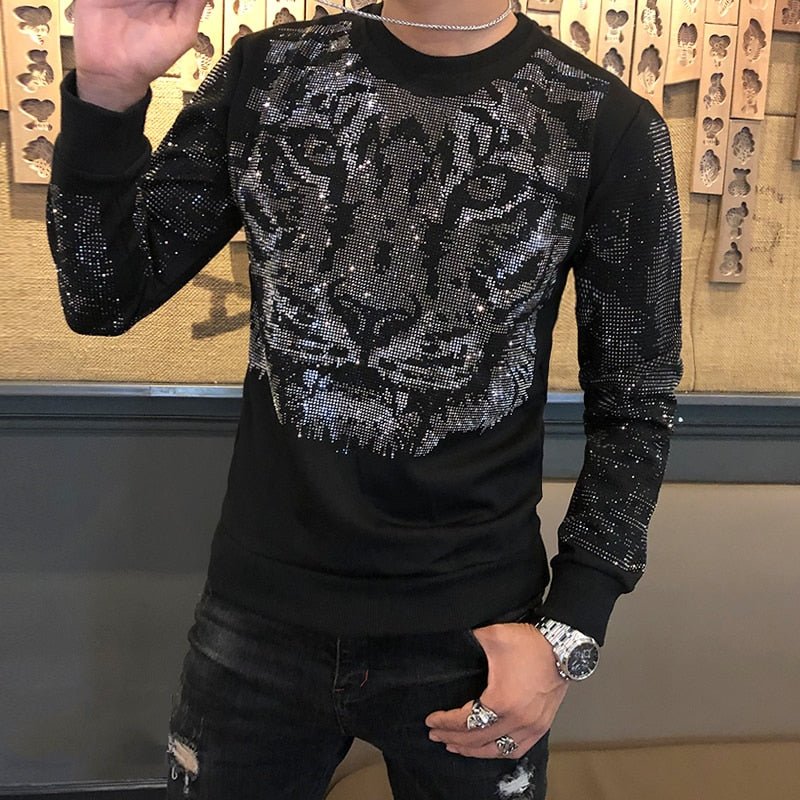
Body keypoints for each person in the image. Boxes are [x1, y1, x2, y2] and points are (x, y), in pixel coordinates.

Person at [46, 1, 683, 797]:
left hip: (475, 632)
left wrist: (571, 627)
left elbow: (637, 400)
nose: (375, 295)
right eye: (318, 153)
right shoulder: (270, 73)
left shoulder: (606, 122)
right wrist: (106, 94)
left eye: (490, 189)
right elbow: (101, 296)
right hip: (260, 614)